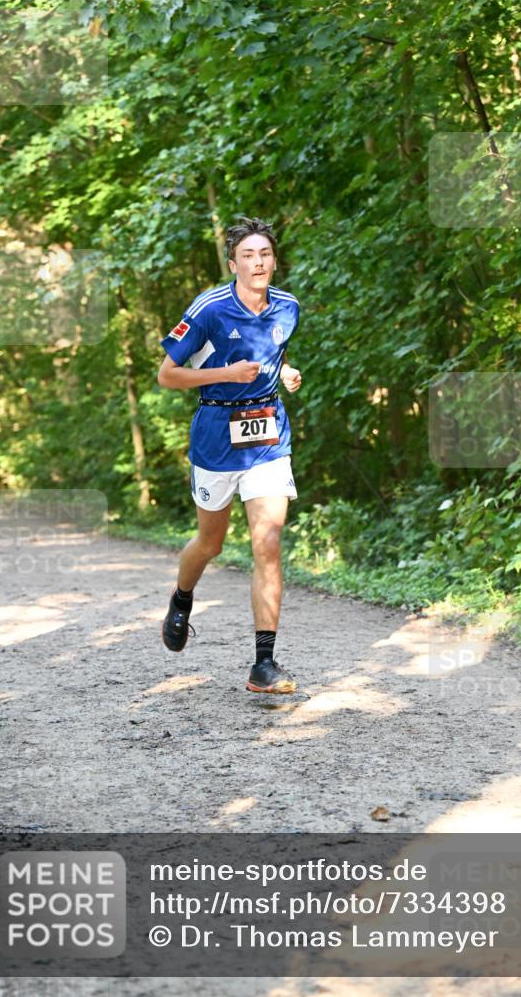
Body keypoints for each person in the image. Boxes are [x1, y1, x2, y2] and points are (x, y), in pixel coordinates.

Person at [157, 216, 302, 693]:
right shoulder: (209, 309)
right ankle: (182, 598)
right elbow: (168, 375)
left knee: (268, 543)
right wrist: (227, 374)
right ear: (233, 263)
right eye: (248, 256)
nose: (258, 263)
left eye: (265, 255)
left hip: (267, 436)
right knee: (211, 543)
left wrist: (284, 374)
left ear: (274, 260)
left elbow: (272, 352)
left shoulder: (287, 308)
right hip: (216, 434)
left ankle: (264, 664)